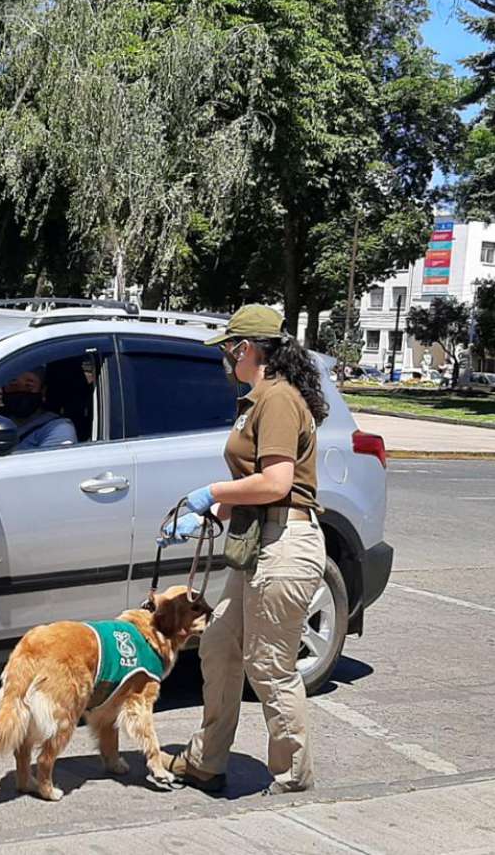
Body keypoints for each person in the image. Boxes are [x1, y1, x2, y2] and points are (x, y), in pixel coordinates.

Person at [162, 303, 329, 795]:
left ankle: (293, 774)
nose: (226, 360)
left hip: (285, 544)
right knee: (217, 644)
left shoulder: (277, 399)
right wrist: (208, 515)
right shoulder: (261, 400)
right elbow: (258, 488)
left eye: (229, 350)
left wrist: (211, 493)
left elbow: (276, 482)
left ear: (246, 348)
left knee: (269, 664)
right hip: (262, 541)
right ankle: (207, 761)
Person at [0, 367, 77, 449]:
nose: (20, 390)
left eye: (29, 386)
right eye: (13, 385)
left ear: (42, 391)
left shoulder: (58, 428)